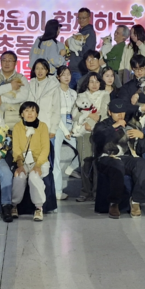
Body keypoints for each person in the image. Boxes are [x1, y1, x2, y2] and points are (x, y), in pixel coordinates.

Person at [92, 99, 145, 219]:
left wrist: (142, 137)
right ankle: (114, 203)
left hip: (126, 157)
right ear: (109, 112)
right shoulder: (102, 125)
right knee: (117, 166)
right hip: (106, 157)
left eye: (122, 112)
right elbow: (98, 139)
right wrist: (114, 127)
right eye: (116, 112)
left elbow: (141, 150)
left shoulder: (131, 125)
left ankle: (136, 201)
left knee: (141, 163)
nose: (120, 115)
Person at [74, 72, 111, 202]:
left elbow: (104, 114)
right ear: (87, 83)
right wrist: (90, 116)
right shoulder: (80, 96)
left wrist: (91, 123)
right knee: (85, 162)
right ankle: (85, 191)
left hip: (99, 131)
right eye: (91, 82)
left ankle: (96, 192)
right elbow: (75, 114)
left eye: (97, 81)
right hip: (84, 131)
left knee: (97, 162)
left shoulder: (105, 95)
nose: (94, 84)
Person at [11, 101, 50, 221]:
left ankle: (39, 208)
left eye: (32, 111)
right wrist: (19, 164)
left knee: (34, 176)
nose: (29, 113)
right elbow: (16, 149)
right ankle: (14, 205)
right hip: (23, 161)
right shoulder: (17, 127)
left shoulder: (43, 126)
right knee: (19, 177)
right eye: (26, 111)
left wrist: (38, 165)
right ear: (22, 114)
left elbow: (45, 148)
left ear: (37, 113)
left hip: (40, 161)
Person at [0, 51, 29, 129]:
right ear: (0, 62)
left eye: (10, 60)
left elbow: (23, 96)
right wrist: (11, 86)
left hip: (15, 122)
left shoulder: (21, 78)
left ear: (16, 63)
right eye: (4, 60)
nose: (7, 63)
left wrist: (2, 98)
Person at [54, 66, 78, 200]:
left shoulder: (74, 93)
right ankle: (57, 191)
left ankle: (71, 168)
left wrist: (74, 128)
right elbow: (55, 113)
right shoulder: (55, 92)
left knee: (83, 152)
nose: (67, 77)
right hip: (58, 125)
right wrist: (64, 130)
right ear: (58, 77)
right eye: (63, 74)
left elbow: (76, 112)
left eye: (68, 74)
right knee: (56, 160)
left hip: (71, 123)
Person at [27, 59, 60, 138]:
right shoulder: (30, 84)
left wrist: (53, 129)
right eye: (37, 68)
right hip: (30, 125)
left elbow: (56, 109)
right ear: (34, 70)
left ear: (47, 70)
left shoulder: (53, 86)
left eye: (43, 68)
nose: (40, 71)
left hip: (46, 125)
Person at [68, 8, 97, 88]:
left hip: (80, 69)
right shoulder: (81, 32)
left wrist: (73, 48)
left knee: (79, 92)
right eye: (79, 18)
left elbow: (87, 52)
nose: (81, 20)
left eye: (84, 18)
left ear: (89, 18)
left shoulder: (89, 33)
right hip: (74, 69)